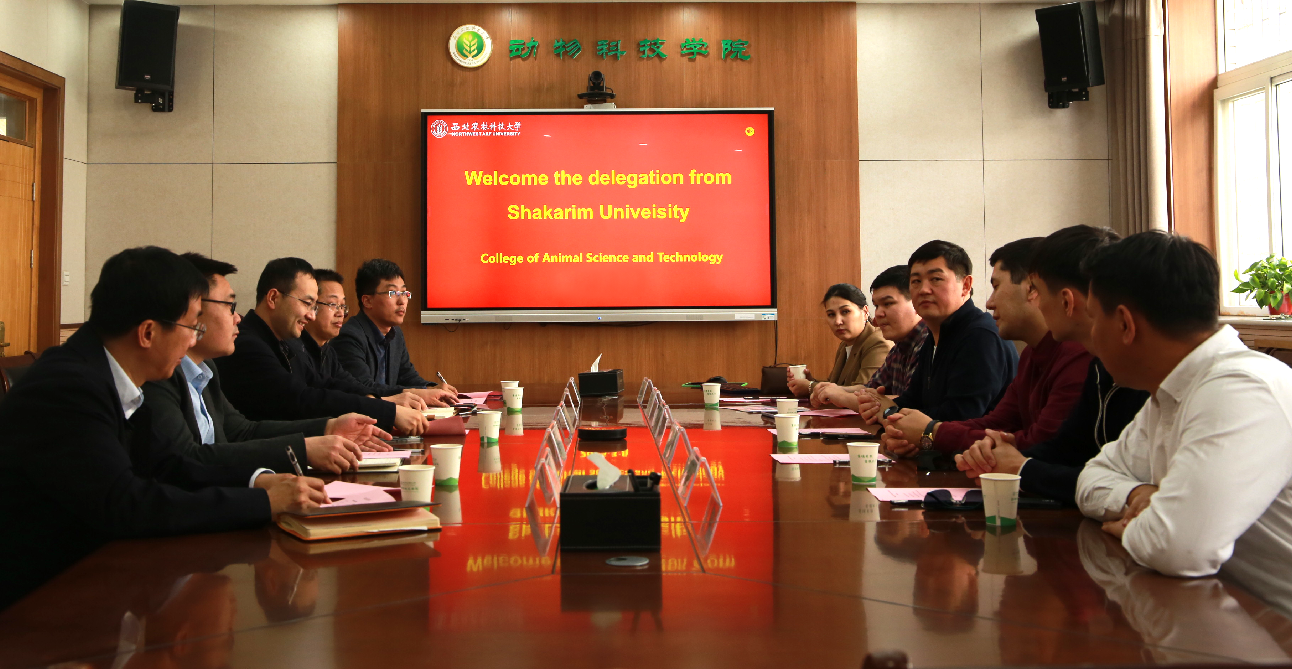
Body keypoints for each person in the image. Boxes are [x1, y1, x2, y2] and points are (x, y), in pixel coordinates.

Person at [0, 246, 326, 609]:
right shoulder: (70, 387)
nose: (193, 339)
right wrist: (262, 502)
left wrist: (259, 482)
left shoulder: (111, 373)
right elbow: (127, 504)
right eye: (192, 326)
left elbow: (168, 463)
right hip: (38, 603)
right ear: (148, 333)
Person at [1074, 231, 1292, 581]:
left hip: (1271, 613)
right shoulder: (1171, 389)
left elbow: (1177, 548)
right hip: (1219, 600)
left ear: (1126, 324)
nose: (1092, 336)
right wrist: (1136, 494)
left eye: (1094, 319)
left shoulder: (1240, 389)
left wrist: (1133, 527)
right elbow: (1091, 479)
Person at [144, 254, 393, 476]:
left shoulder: (206, 369)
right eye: (230, 306)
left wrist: (329, 427)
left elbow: (242, 431)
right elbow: (185, 461)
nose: (237, 317)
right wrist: (300, 452)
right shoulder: (160, 375)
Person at [954, 226, 1148, 503]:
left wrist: (1020, 467)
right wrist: (1001, 455)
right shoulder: (1102, 365)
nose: (1037, 303)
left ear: (1068, 301)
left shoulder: (1142, 374)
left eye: (1038, 291)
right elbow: (1076, 455)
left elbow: (1131, 491)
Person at [879, 238, 1091, 457]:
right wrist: (915, 431)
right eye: (915, 281)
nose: (989, 303)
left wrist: (928, 434)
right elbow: (999, 423)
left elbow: (1039, 445)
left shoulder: (1075, 355)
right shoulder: (1032, 352)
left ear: (1033, 289)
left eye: (996, 287)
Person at [215, 258, 428, 436]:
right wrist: (387, 411)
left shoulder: (284, 342)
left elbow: (325, 383)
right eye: (307, 303)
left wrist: (378, 402)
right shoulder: (247, 344)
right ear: (273, 298)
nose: (311, 315)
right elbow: (302, 398)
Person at [854, 240, 1019, 431]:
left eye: (936, 279)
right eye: (916, 281)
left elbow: (960, 416)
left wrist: (890, 413)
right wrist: (880, 406)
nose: (924, 289)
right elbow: (914, 399)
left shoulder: (980, 336)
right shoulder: (936, 335)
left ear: (966, 285)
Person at [295, 269, 433, 409]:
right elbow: (319, 400)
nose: (340, 313)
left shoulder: (326, 351)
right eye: (332, 304)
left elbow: (354, 388)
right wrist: (390, 403)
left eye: (342, 306)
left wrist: (430, 389)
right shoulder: (347, 337)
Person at [332, 259, 458, 404]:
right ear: (367, 301)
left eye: (404, 293)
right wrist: (418, 393)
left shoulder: (395, 334)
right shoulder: (349, 337)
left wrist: (432, 388)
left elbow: (407, 377)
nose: (402, 301)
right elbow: (364, 388)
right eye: (392, 293)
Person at [787, 283, 892, 398]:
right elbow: (837, 386)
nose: (837, 321)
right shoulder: (845, 345)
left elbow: (865, 390)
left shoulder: (878, 342)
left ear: (865, 312)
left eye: (845, 311)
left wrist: (811, 387)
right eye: (831, 314)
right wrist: (811, 381)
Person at [864, 264, 928, 397]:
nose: (878, 314)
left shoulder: (929, 342)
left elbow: (914, 403)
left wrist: (842, 396)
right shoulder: (899, 347)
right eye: (876, 306)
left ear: (917, 303)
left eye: (887, 303)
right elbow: (871, 389)